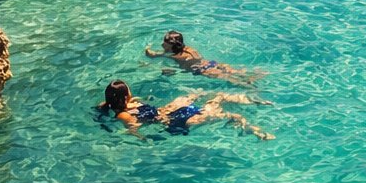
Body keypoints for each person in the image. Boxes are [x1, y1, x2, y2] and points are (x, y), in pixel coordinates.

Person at [98, 79, 274, 140]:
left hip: (169, 112)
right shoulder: (123, 115)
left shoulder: (124, 103)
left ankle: (252, 100)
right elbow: (133, 128)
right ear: (124, 96)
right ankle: (255, 131)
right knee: (227, 114)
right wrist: (146, 140)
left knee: (203, 96)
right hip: (172, 123)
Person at [146, 31, 264, 85]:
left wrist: (147, 48)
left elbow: (152, 55)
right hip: (211, 63)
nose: (162, 44)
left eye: (165, 43)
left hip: (201, 70)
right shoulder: (189, 49)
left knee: (228, 78)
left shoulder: (176, 56)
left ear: (171, 45)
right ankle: (254, 75)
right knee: (233, 72)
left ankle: (249, 86)